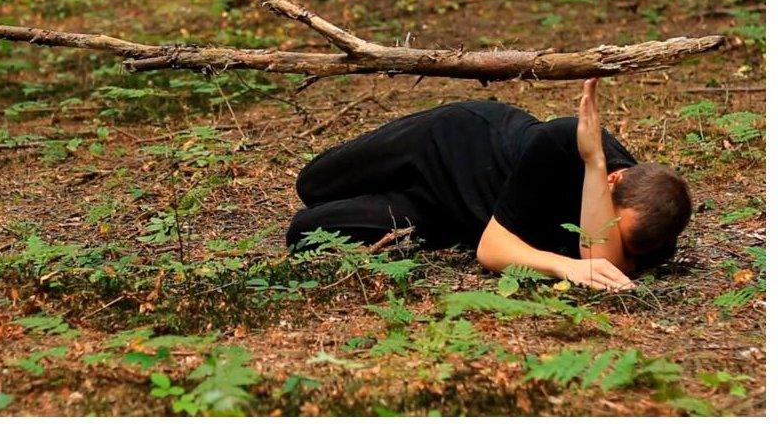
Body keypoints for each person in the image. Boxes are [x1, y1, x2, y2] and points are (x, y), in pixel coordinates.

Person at [287, 79, 692, 291]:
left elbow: (603, 257)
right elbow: (496, 252)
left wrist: (593, 169)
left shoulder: (655, 230)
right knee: (313, 183)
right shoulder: (561, 143)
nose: (612, 243)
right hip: (447, 142)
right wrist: (567, 265)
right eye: (613, 226)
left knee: (304, 231)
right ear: (614, 179)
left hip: (442, 213)